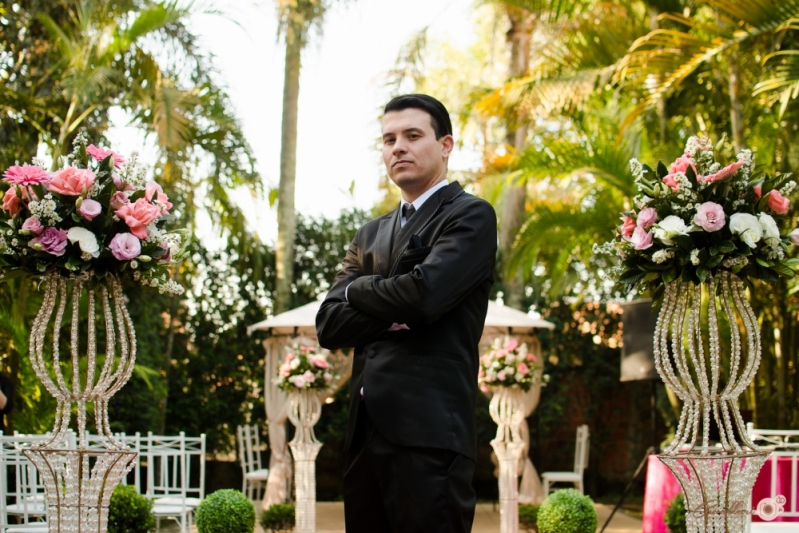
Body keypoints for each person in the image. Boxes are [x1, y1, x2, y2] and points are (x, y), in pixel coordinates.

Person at [316, 94, 497, 533]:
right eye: (389, 139)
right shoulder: (369, 232)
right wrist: (390, 302)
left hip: (431, 433)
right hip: (363, 434)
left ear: (446, 144)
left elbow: (425, 297)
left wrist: (360, 291)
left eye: (413, 136)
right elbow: (329, 323)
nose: (398, 147)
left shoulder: (470, 216)